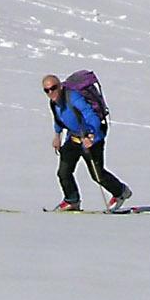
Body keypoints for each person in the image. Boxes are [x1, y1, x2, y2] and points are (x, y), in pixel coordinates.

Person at [42, 73, 133, 211]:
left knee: (98, 175)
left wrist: (91, 135)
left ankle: (121, 192)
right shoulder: (54, 103)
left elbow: (91, 115)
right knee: (64, 172)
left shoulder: (74, 98)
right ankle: (72, 200)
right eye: (47, 90)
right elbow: (58, 119)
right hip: (73, 138)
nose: (51, 92)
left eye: (53, 88)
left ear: (60, 86)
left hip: (91, 138)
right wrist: (57, 135)